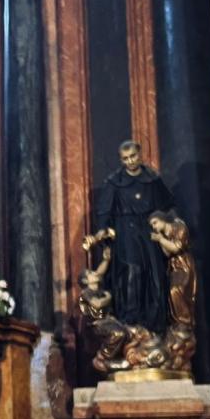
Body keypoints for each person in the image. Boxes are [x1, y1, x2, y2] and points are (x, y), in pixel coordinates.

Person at [85, 141, 174, 335]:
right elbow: (103, 212)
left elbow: (167, 207)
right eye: (125, 158)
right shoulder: (114, 182)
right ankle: (130, 320)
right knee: (131, 273)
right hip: (125, 232)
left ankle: (155, 323)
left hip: (149, 230)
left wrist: (167, 227)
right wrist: (103, 233)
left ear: (140, 154)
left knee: (155, 274)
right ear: (121, 160)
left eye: (133, 156)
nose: (130, 161)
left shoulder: (152, 179)